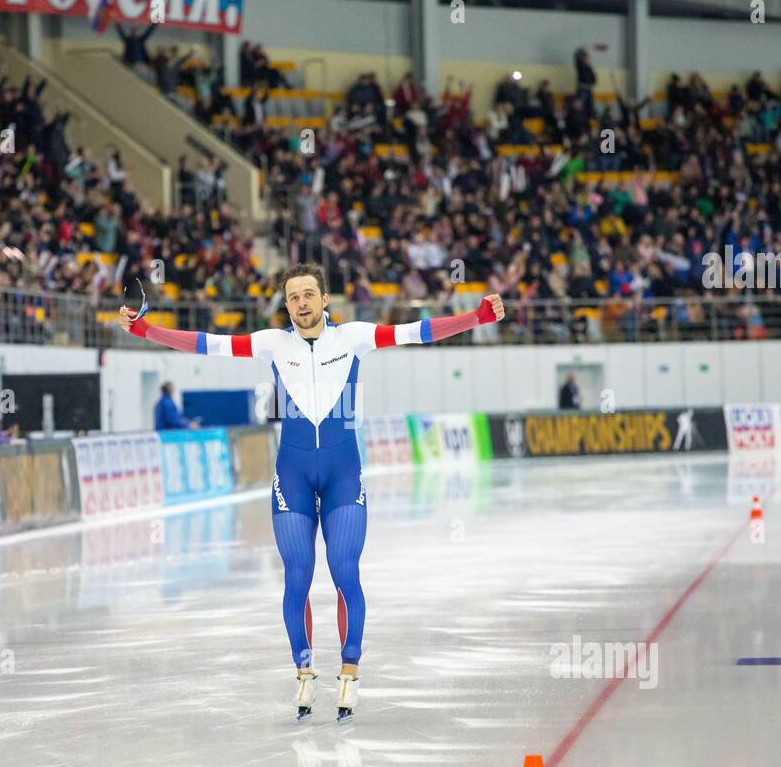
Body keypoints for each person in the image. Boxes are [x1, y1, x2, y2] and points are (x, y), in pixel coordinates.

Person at [119, 263, 505, 721]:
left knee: (345, 570)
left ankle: (349, 671)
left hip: (344, 473)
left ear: (325, 301)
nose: (301, 303)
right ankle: (304, 674)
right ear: (287, 305)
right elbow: (207, 343)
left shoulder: (353, 337)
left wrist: (476, 318)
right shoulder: (272, 344)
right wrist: (145, 331)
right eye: (293, 297)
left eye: (308, 294)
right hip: (293, 475)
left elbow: (416, 332)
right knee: (297, 575)